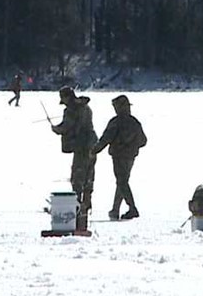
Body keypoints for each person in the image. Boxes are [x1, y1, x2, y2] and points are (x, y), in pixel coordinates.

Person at [93, 94, 147, 220]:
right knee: (122, 182)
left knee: (122, 182)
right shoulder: (135, 122)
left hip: (118, 157)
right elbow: (143, 141)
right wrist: (132, 147)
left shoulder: (116, 122)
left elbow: (106, 138)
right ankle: (115, 209)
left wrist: (94, 150)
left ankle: (132, 208)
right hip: (131, 157)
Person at [52, 86, 97, 215]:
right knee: (89, 175)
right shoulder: (85, 106)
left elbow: (66, 126)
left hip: (81, 145)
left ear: (67, 97)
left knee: (77, 177)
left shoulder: (71, 110)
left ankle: (77, 206)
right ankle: (87, 203)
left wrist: (56, 129)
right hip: (93, 144)